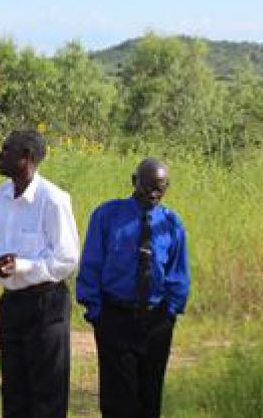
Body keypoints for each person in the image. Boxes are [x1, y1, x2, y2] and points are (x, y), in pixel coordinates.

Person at [0, 129, 81, 418]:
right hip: (12, 302)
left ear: (26, 158)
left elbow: (67, 257)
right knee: (14, 387)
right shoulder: (2, 195)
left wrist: (23, 266)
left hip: (46, 303)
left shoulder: (53, 199)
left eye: (6, 150)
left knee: (46, 391)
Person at [77, 158, 190, 418]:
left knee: (149, 398)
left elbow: (178, 271)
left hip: (156, 319)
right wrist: (96, 312)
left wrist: (170, 312)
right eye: (147, 185)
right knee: (118, 400)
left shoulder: (172, 224)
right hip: (115, 316)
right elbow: (92, 264)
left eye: (160, 187)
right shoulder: (107, 216)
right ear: (134, 181)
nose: (153, 192)